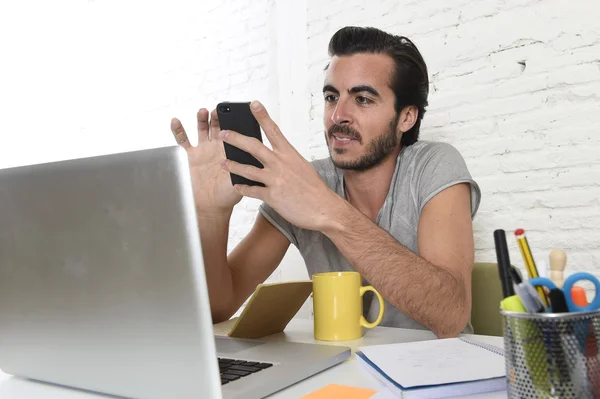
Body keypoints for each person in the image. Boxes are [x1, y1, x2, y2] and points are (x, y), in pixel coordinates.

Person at [170, 26, 481, 338]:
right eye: (332, 97)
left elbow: (450, 315)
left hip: (435, 372)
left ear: (406, 117)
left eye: (362, 99)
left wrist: (328, 211)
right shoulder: (305, 182)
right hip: (344, 372)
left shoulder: (433, 165)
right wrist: (211, 215)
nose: (338, 115)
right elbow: (219, 308)